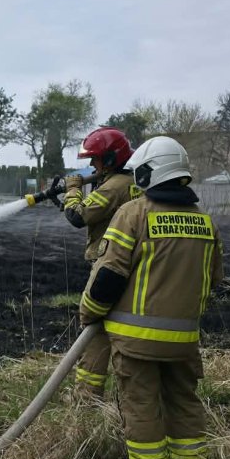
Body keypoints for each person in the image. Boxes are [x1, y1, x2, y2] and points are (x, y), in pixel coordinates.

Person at [76, 136, 223, 459]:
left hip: (136, 343)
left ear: (147, 173)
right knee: (184, 404)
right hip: (185, 341)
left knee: (141, 407)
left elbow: (108, 277)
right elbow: (214, 280)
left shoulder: (134, 214)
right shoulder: (205, 222)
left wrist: (89, 313)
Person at [62, 127, 138, 398]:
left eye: (95, 159)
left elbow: (77, 216)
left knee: (95, 328)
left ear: (109, 159)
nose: (92, 165)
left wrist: (72, 190)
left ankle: (87, 395)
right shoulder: (133, 182)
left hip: (107, 265)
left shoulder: (115, 187)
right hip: (132, 265)